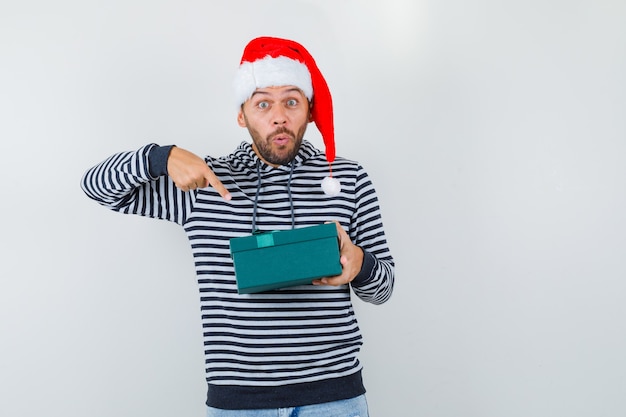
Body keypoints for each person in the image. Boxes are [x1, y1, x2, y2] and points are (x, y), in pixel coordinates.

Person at [81, 36, 394, 416]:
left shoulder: (346, 178)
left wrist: (359, 263)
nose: (279, 116)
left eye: (291, 102)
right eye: (263, 103)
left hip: (334, 398)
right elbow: (97, 188)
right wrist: (161, 158)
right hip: (239, 404)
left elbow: (383, 289)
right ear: (242, 114)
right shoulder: (205, 183)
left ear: (309, 110)